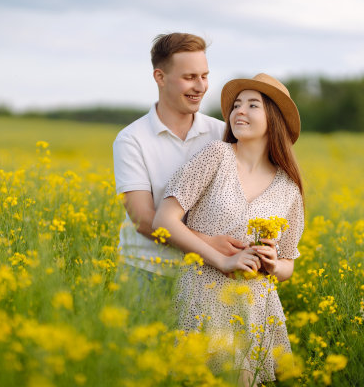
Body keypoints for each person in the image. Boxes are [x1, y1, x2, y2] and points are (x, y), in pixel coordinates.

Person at [153, 73, 305, 385]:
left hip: (253, 309)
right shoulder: (216, 156)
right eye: (236, 105)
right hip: (201, 297)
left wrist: (273, 264)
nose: (239, 111)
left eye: (253, 105)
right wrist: (221, 260)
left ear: (274, 118)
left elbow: (288, 263)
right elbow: (164, 221)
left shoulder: (289, 188)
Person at [113, 33, 246, 283]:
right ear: (160, 77)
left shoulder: (223, 133)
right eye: (189, 77)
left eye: (204, 76)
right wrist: (210, 244)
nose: (200, 87)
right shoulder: (132, 139)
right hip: (147, 272)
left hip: (207, 275)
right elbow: (142, 219)